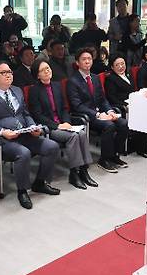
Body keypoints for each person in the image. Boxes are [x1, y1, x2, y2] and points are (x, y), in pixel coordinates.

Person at [0, 62, 60, 209]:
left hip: (24, 133)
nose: (8, 75)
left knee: (51, 146)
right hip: (1, 139)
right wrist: (2, 132)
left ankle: (40, 182)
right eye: (3, 73)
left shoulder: (17, 90)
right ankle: (22, 191)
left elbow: (25, 114)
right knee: (24, 153)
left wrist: (32, 125)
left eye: (10, 72)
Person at [29, 59, 97, 190]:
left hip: (63, 124)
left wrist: (66, 122)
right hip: (50, 127)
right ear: (37, 75)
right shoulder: (34, 91)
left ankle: (84, 171)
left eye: (48, 68)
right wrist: (58, 126)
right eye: (43, 70)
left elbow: (65, 108)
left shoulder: (57, 86)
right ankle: (74, 173)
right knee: (74, 136)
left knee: (82, 134)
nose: (47, 71)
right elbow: (37, 115)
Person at [67, 48, 129, 173]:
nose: (87, 62)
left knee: (123, 124)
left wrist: (110, 111)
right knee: (109, 126)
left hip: (101, 112)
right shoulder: (72, 81)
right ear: (77, 63)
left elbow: (103, 99)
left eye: (89, 59)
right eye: (84, 59)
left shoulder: (95, 78)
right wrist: (97, 114)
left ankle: (114, 155)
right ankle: (104, 159)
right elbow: (77, 106)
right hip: (87, 115)